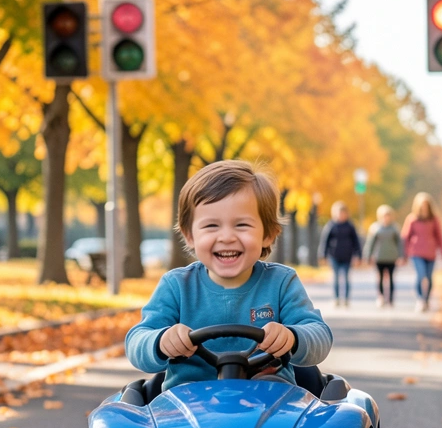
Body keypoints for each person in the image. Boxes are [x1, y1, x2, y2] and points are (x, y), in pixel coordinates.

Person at [125, 160, 332, 393]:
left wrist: (293, 337)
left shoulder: (281, 283)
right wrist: (161, 341)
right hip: (188, 402)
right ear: (189, 235)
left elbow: (319, 336)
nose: (226, 237)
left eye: (241, 225)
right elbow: (137, 341)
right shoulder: (177, 286)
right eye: (211, 226)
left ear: (268, 234)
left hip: (270, 400)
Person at [401, 192, 442, 312]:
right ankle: (420, 299)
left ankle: (426, 299)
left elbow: (439, 236)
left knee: (429, 278)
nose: (424, 207)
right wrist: (404, 254)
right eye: (422, 205)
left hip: (430, 252)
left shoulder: (434, 219)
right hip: (416, 252)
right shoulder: (412, 219)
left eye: (426, 205)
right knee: (421, 275)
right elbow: (406, 237)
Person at [319, 201, 362, 307]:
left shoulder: (350, 226)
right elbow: (325, 241)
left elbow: (356, 241)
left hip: (347, 256)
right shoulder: (331, 226)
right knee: (336, 277)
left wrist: (358, 255)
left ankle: (346, 298)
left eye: (343, 213)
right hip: (334, 256)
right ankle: (337, 298)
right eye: (339, 213)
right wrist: (322, 255)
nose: (342, 215)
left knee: (346, 277)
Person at [364, 204, 402, 308]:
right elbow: (370, 243)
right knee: (380, 278)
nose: (386, 218)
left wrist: (401, 256)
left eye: (388, 215)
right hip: (379, 257)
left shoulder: (394, 228)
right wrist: (367, 255)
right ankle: (381, 297)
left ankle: (390, 299)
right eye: (384, 216)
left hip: (391, 257)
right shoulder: (375, 228)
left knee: (391, 278)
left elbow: (399, 243)